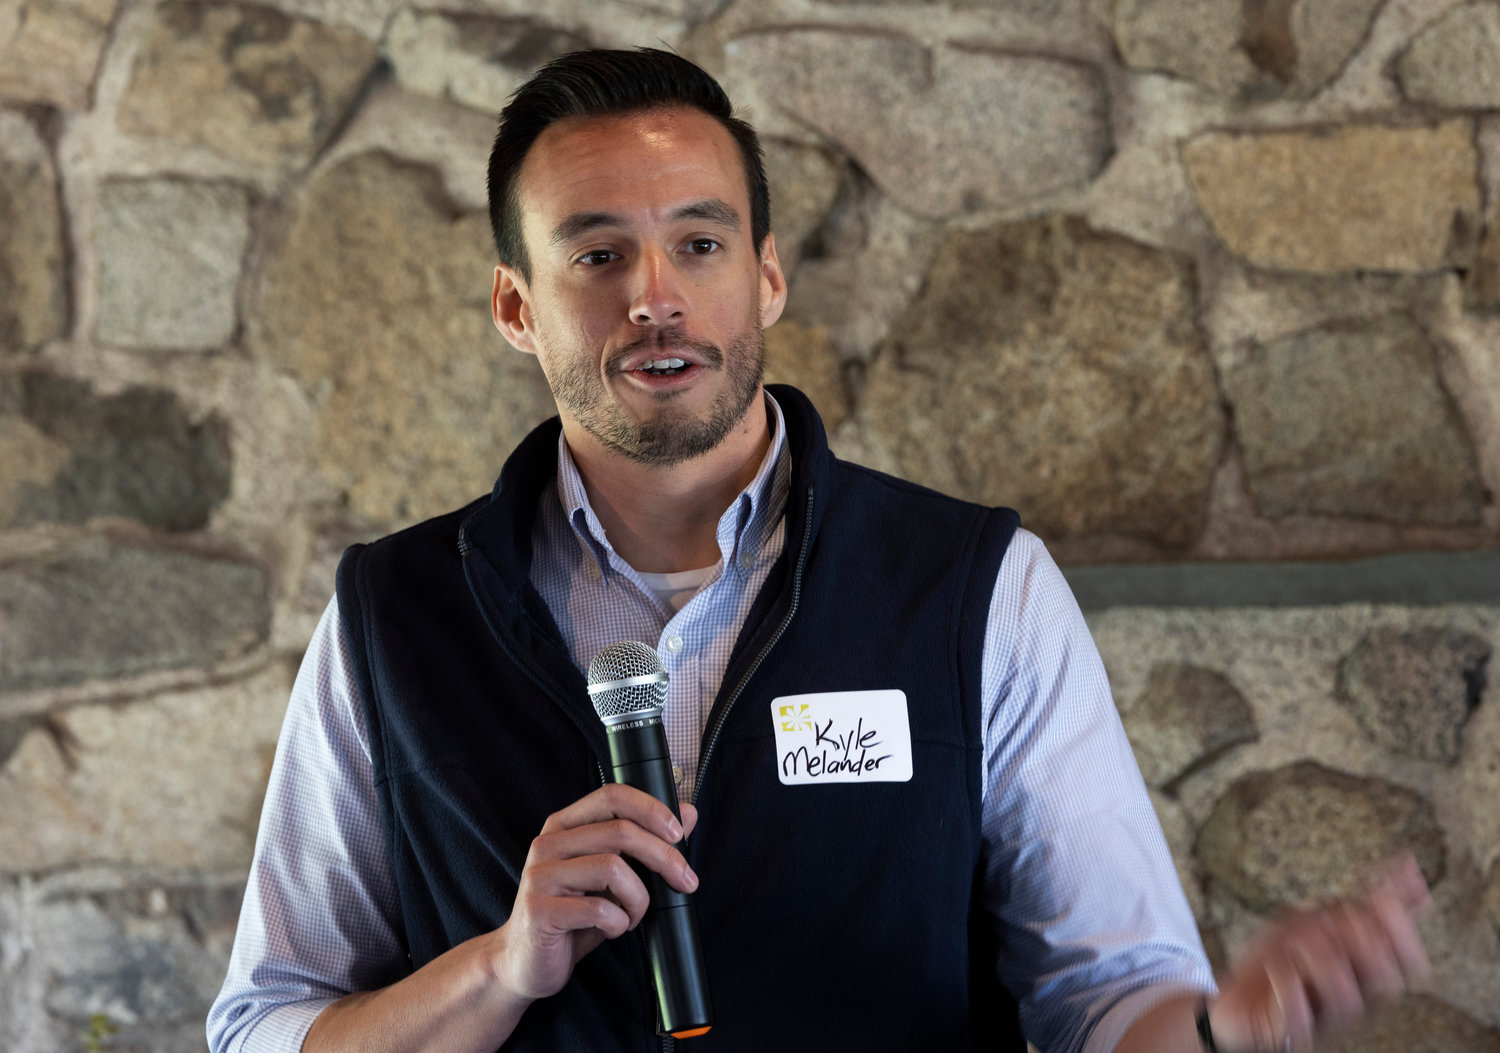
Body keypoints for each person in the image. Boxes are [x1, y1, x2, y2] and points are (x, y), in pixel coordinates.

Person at [209, 48, 1433, 1053]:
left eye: (699, 242)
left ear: (769, 278)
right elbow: (265, 1027)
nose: (654, 296)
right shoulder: (392, 616)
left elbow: (1106, 1005)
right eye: (595, 255)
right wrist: (498, 969)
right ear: (515, 308)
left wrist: (1226, 1030)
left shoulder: (974, 590)